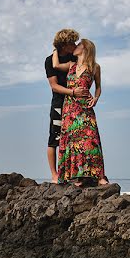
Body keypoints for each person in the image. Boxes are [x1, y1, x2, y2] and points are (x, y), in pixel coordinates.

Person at [51, 38, 107, 186]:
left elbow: (99, 87)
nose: (75, 47)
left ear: (85, 48)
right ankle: (78, 177)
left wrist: (96, 98)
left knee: (91, 139)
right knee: (73, 141)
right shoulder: (71, 65)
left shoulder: (95, 67)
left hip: (85, 107)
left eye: (79, 45)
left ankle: (99, 176)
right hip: (69, 108)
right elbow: (55, 65)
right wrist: (56, 47)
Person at [45, 29, 89, 184]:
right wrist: (72, 92)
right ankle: (54, 175)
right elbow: (54, 86)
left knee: (76, 137)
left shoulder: (73, 57)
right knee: (54, 138)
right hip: (59, 103)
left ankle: (76, 174)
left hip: (76, 104)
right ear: (65, 45)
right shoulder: (50, 60)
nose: (75, 45)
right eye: (72, 42)